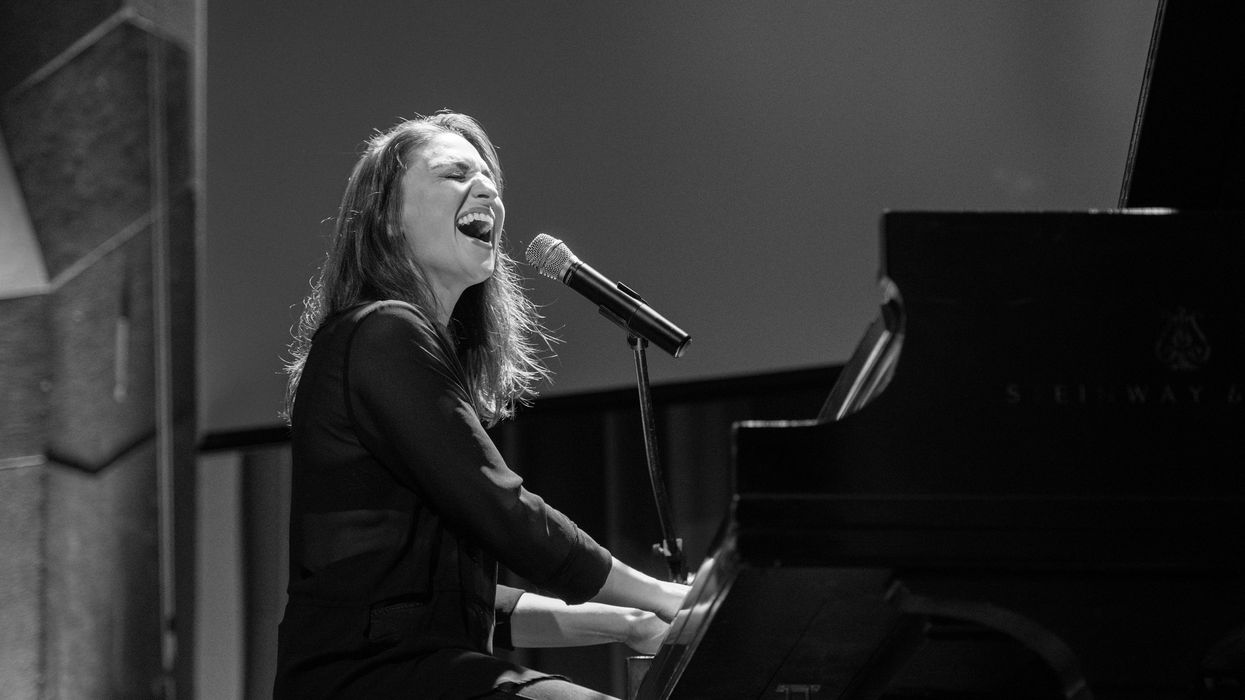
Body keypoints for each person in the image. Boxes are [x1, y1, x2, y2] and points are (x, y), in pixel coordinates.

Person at [274, 111, 689, 700]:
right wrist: (665, 595)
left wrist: (632, 621)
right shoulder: (383, 331)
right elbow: (503, 510)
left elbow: (463, 604)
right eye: (454, 173)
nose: (488, 190)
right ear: (388, 217)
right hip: (366, 679)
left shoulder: (394, 340)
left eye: (490, 178)